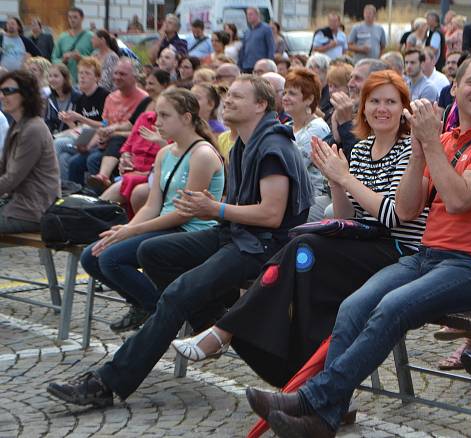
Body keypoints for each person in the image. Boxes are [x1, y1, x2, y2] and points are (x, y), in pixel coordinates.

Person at [247, 55, 471, 438]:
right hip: (428, 256)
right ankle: (324, 418)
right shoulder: (442, 139)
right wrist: (418, 150)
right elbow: (408, 207)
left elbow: (459, 199)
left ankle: (313, 398)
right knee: (353, 307)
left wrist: (429, 144)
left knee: (392, 307)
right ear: (455, 89)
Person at [47, 74, 314, 408]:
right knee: (153, 252)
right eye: (227, 94)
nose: (227, 100)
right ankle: (213, 322)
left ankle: (107, 383)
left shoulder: (273, 146)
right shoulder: (244, 143)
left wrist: (213, 207)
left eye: (237, 96)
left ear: (261, 105)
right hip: (236, 235)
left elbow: (272, 215)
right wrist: (214, 212)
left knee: (176, 295)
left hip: (261, 247)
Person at [171, 71, 429, 387]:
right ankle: (300, 381)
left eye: (391, 102)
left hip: (399, 252)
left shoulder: (408, 149)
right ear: (363, 107)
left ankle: (227, 331)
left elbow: (392, 217)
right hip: (363, 245)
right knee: (306, 268)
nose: (382, 109)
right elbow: (350, 215)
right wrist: (336, 181)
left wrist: (344, 178)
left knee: (303, 249)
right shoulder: (362, 149)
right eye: (374, 101)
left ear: (403, 107)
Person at [80, 88, 224, 332]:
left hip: (191, 230)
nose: (157, 122)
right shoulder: (165, 152)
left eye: (165, 116)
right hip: (167, 224)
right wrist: (127, 228)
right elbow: (152, 205)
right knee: (91, 256)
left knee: (111, 259)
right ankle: (147, 304)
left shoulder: (202, 154)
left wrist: (133, 230)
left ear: (186, 118)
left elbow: (185, 214)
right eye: (157, 114)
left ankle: (164, 311)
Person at [87, 69, 170, 196]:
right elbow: (131, 127)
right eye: (147, 83)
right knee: (82, 159)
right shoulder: (145, 109)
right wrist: (125, 155)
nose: (148, 87)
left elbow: (171, 154)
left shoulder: (171, 126)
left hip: (148, 170)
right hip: (133, 162)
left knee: (98, 156)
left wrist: (114, 133)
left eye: (151, 84)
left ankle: (102, 186)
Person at [67, 59, 147, 186]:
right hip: (105, 144)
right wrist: (87, 145)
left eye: (122, 74)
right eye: (115, 73)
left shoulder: (144, 99)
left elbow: (139, 131)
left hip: (127, 147)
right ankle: (75, 198)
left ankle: (101, 199)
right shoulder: (111, 98)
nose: (117, 77)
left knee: (93, 160)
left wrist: (112, 133)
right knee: (74, 162)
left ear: (135, 77)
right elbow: (104, 125)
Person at [0, 70, 60, 233]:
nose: (2, 96)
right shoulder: (18, 124)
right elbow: (2, 166)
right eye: (1, 91)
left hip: (31, 210)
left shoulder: (33, 128)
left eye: (8, 91)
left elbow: (12, 178)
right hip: (18, 204)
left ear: (26, 94)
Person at [283, 68, 330, 221]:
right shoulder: (287, 126)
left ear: (309, 99)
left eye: (292, 94)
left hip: (311, 199)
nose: (285, 97)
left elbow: (294, 167)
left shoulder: (317, 127)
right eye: (284, 93)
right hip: (288, 194)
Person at [53, 57, 110, 180]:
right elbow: (78, 129)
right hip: (83, 138)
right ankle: (68, 190)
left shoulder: (104, 96)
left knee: (57, 144)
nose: (82, 77)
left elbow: (105, 124)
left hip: (98, 139)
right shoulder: (81, 99)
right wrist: (68, 121)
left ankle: (54, 185)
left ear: (97, 78)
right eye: (80, 73)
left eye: (87, 73)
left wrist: (81, 118)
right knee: (64, 158)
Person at [328, 59, 388, 160]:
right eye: (351, 78)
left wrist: (346, 124)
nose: (350, 84)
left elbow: (361, 164)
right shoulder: (352, 113)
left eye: (357, 78)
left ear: (376, 84)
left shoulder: (384, 118)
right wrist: (337, 138)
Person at [52, 7, 94, 82]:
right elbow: (54, 58)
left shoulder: (91, 36)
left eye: (75, 17)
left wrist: (81, 58)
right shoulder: (62, 37)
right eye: (70, 17)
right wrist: (63, 60)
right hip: (66, 81)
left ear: (82, 18)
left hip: (86, 80)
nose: (72, 20)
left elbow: (97, 59)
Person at [43, 64, 80, 134]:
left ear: (65, 78)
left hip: (72, 135)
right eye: (50, 76)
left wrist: (68, 121)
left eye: (56, 76)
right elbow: (48, 121)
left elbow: (80, 126)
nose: (51, 79)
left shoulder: (77, 97)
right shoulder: (50, 98)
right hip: (54, 135)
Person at [238, 7, 275, 73]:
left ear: (258, 15)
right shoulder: (247, 31)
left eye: (251, 14)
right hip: (246, 66)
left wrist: (269, 64)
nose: (248, 16)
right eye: (247, 14)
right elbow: (243, 49)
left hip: (260, 67)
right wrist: (240, 64)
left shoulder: (266, 29)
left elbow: (271, 47)